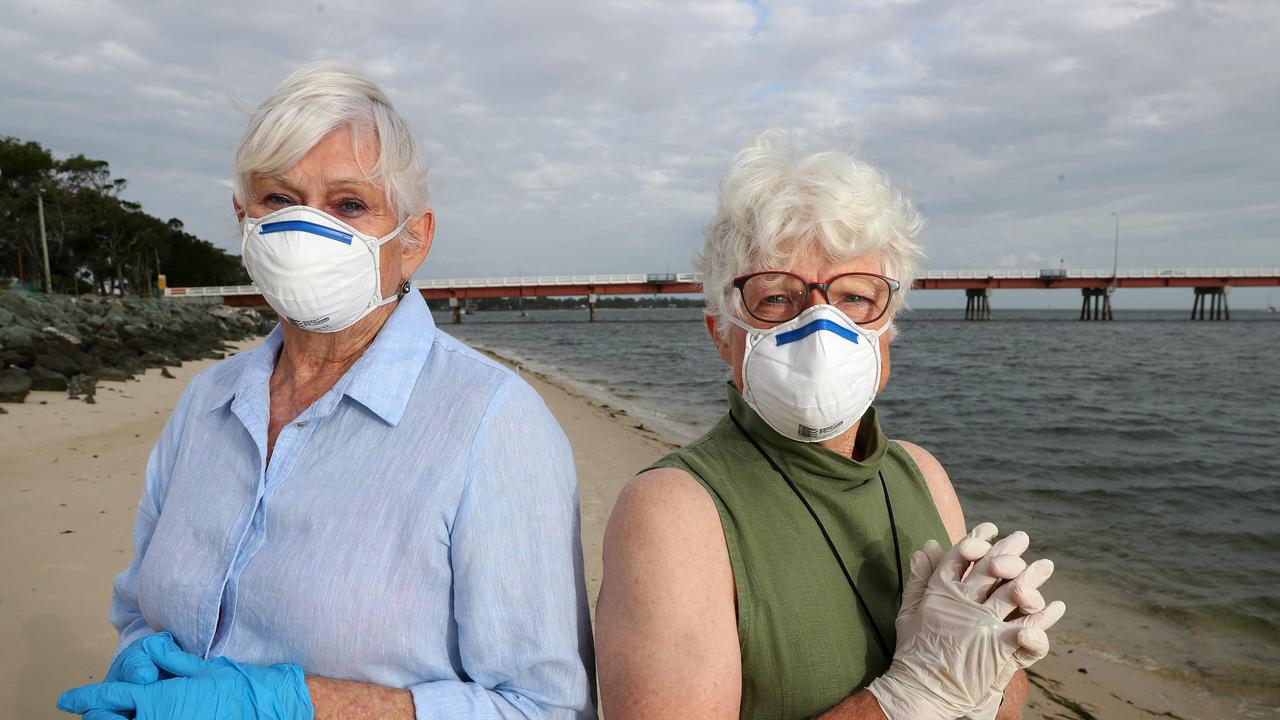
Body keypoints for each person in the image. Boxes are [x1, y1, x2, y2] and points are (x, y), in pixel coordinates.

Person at [57, 62, 595, 720]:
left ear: (415, 238)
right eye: (279, 200)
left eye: (348, 205)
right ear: (243, 219)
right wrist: (140, 662)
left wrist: (301, 705)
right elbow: (140, 607)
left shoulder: (493, 423)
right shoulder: (207, 403)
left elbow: (546, 708)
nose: (306, 230)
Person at [595, 131, 1065, 720]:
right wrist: (910, 698)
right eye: (776, 297)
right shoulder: (674, 511)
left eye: (855, 296)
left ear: (888, 323)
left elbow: (996, 710)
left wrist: (991, 669)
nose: (821, 325)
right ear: (721, 331)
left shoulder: (920, 474)